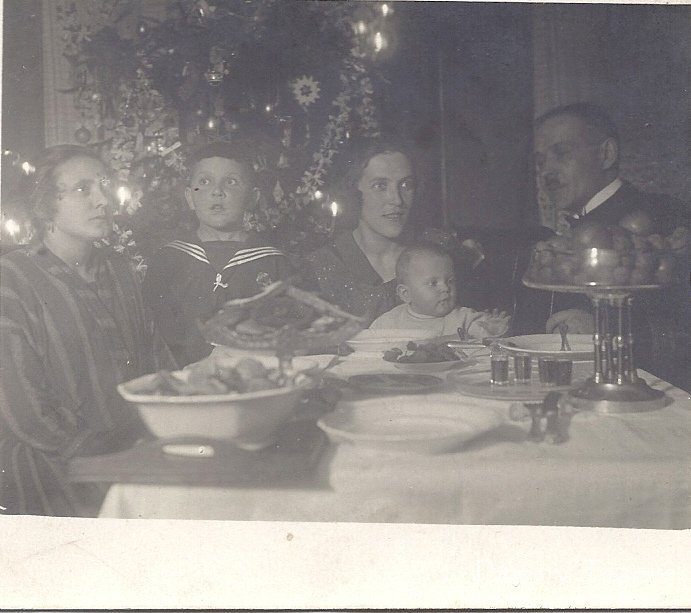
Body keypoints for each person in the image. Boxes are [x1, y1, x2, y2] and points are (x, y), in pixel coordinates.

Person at [0, 145, 159, 516]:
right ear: (44, 203)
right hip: (54, 470)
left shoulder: (120, 269)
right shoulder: (11, 280)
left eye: (104, 186)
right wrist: (106, 457)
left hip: (136, 454)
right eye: (83, 189)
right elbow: (24, 409)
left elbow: (154, 360)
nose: (103, 200)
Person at [515, 102, 689, 385]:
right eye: (540, 161)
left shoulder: (667, 217)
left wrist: (603, 330)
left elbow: (679, 329)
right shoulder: (564, 232)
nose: (547, 171)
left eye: (561, 153)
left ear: (606, 154)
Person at [143, 141, 294, 366]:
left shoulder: (274, 262)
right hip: (185, 380)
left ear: (252, 198)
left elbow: (293, 335)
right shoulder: (168, 260)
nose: (217, 192)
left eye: (231, 182)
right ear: (189, 197)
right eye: (204, 182)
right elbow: (153, 337)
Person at [303, 139, 417, 321]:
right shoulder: (321, 265)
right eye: (380, 186)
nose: (397, 200)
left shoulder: (437, 255)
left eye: (406, 185)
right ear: (353, 192)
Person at [369, 243, 509, 338]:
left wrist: (494, 331)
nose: (445, 288)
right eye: (433, 283)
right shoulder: (388, 323)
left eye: (450, 281)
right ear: (406, 294)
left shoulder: (465, 318)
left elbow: (487, 344)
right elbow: (368, 348)